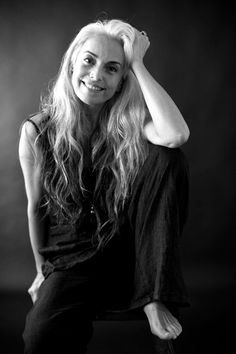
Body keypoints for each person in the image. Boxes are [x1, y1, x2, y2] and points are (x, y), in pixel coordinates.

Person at [19, 18, 190, 354]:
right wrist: (40, 271)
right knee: (38, 340)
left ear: (120, 81)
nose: (97, 75)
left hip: (128, 256)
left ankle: (154, 295)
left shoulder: (132, 123)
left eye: (112, 68)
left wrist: (137, 63)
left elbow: (176, 135)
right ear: (71, 64)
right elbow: (34, 206)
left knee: (171, 159)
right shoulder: (37, 131)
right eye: (89, 60)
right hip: (72, 261)